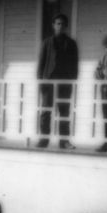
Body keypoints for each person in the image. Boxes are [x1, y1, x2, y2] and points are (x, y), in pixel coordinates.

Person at [36, 14, 79, 149]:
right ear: (53, 25)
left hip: (64, 83)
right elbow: (41, 64)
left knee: (64, 112)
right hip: (49, 83)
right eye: (57, 23)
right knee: (45, 112)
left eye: (62, 24)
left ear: (66, 26)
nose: (60, 26)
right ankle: (44, 139)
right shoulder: (47, 42)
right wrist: (41, 82)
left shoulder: (71, 43)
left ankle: (64, 141)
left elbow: (75, 65)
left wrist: (71, 81)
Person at [94, 34, 107, 152]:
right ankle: (106, 143)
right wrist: (102, 74)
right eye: (106, 47)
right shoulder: (103, 58)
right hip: (106, 91)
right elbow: (96, 73)